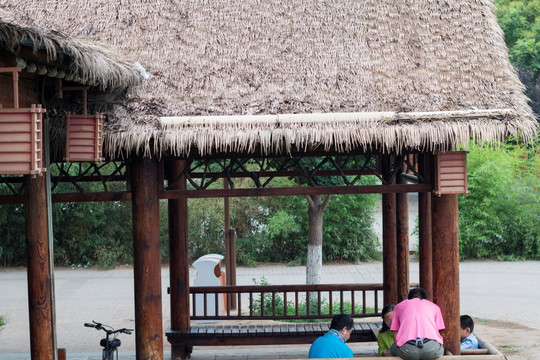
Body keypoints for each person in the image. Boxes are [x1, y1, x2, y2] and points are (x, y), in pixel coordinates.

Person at [388, 287, 445, 360]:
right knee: (439, 349)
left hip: (408, 350)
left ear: (408, 299)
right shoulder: (435, 307)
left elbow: (395, 336)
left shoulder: (398, 307)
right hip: (431, 349)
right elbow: (438, 332)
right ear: (426, 299)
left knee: (392, 349)